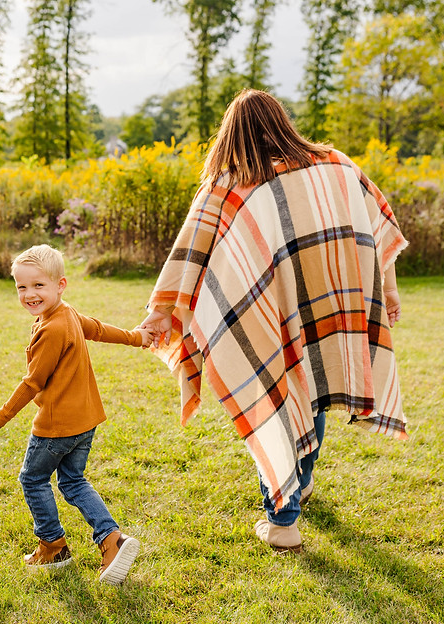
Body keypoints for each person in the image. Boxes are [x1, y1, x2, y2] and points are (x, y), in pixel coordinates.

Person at [141, 89, 409, 553]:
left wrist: (160, 311)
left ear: (230, 135)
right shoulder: (336, 164)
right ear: (281, 122)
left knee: (275, 396)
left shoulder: (230, 183)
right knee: (312, 386)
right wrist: (388, 290)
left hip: (270, 314)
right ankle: (300, 482)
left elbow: (189, 252)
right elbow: (375, 227)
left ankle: (283, 522)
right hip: (330, 305)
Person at [0, 244, 154, 585]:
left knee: (32, 480)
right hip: (86, 420)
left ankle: (53, 546)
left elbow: (32, 383)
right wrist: (137, 338)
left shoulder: (52, 329)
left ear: (60, 285)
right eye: (22, 287)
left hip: (57, 425)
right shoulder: (66, 315)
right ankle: (111, 539)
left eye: (39, 286)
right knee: (73, 481)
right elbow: (99, 329)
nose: (30, 294)